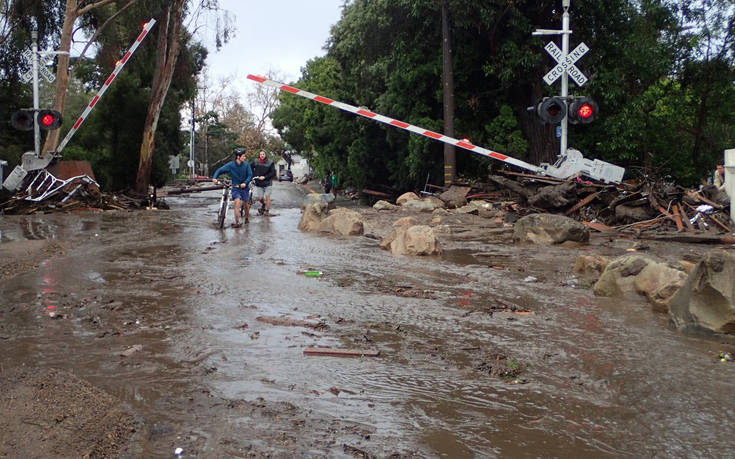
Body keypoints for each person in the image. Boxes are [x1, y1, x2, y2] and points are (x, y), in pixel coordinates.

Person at [212, 148, 253, 227]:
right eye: (243, 156)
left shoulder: (247, 165)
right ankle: (237, 222)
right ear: (238, 157)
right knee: (237, 202)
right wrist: (215, 177)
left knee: (246, 205)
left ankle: (247, 218)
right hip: (235, 187)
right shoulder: (231, 165)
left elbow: (250, 175)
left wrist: (245, 182)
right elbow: (220, 170)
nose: (245, 158)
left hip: (244, 188)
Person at [250, 150, 276, 215]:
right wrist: (254, 175)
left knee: (267, 196)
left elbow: (273, 173)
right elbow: (250, 168)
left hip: (268, 182)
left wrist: (265, 177)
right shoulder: (255, 161)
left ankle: (267, 211)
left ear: (265, 155)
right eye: (260, 154)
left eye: (263, 154)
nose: (262, 155)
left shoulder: (270, 162)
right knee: (261, 198)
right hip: (259, 183)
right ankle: (263, 204)